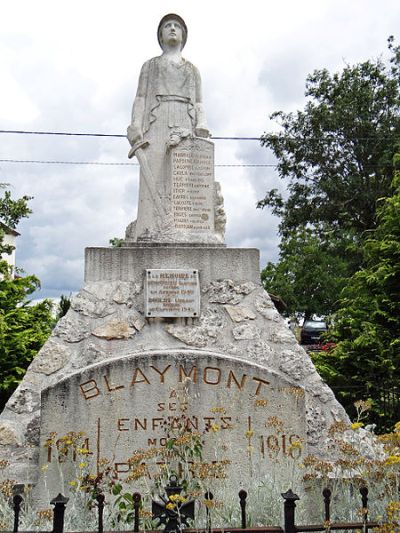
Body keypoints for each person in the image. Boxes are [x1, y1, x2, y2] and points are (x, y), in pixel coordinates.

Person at [127, 14, 210, 242]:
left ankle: (184, 232)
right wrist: (135, 124)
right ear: (161, 36)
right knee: (152, 175)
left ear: (183, 35)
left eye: (176, 26)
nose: (172, 29)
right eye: (167, 26)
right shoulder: (150, 66)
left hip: (185, 120)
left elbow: (200, 102)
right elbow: (141, 97)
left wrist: (201, 123)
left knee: (183, 179)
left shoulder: (192, 70)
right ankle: (147, 230)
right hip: (156, 120)